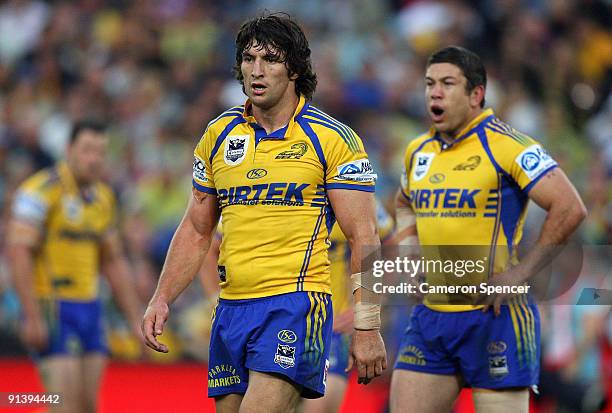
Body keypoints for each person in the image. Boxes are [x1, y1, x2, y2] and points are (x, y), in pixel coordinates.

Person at [142, 13, 387, 413]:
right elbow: (196, 228)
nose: (257, 70)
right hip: (232, 309)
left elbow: (365, 237)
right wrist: (162, 297)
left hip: (296, 305)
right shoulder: (219, 135)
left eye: (270, 59)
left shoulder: (331, 138)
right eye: (249, 59)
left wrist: (368, 324)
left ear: (294, 68)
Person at [389, 46, 587, 413]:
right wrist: (409, 256)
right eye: (430, 83)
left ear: (476, 94)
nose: (435, 92)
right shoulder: (418, 150)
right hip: (431, 317)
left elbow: (570, 206)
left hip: (494, 318)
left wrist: (520, 273)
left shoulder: (509, 145)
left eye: (448, 83)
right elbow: (403, 203)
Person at [7, 120, 143, 413]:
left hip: (90, 308)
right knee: (62, 405)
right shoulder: (40, 191)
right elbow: (18, 252)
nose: (94, 159)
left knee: (87, 407)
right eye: (87, 150)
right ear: (69, 150)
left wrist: (135, 318)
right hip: (52, 307)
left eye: (100, 152)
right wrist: (30, 315)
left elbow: (113, 261)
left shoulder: (103, 198)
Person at [303, 199, 394, 413]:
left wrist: (368, 305)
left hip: (331, 327)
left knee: (320, 407)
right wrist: (217, 298)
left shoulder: (352, 196)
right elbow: (216, 242)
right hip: (277, 319)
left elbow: (390, 246)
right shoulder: (272, 193)